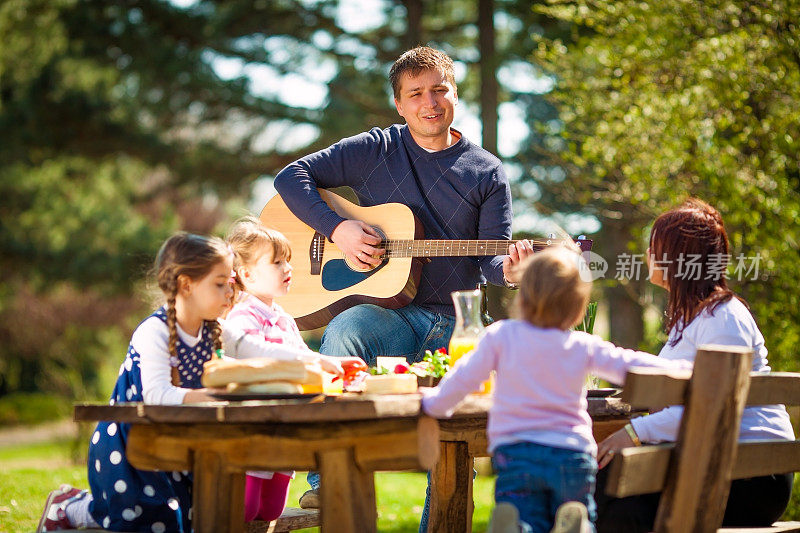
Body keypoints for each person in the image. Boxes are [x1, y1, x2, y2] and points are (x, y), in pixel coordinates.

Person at [272, 45, 533, 514]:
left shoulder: (487, 171)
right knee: (347, 328)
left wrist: (512, 271)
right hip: (390, 316)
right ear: (399, 104)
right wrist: (339, 228)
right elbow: (292, 177)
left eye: (439, 90)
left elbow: (493, 257)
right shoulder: (376, 149)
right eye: (415, 94)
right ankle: (328, 477)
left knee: (454, 450)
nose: (429, 103)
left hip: (458, 324)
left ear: (455, 94)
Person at [36, 233, 343, 532]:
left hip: (183, 438)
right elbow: (156, 394)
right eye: (220, 284)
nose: (229, 292)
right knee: (134, 518)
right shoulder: (153, 331)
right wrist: (210, 399)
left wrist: (320, 361)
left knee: (181, 518)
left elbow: (262, 350)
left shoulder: (215, 328)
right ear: (186, 285)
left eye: (230, 283)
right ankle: (67, 506)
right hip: (133, 440)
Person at [422, 246, 691, 533]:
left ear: (523, 295)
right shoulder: (580, 345)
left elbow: (464, 378)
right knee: (576, 513)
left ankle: (516, 526)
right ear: (577, 309)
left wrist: (433, 404)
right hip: (571, 456)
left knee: (527, 516)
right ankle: (574, 525)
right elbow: (628, 363)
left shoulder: (501, 336)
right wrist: (683, 370)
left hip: (517, 454)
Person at [594, 198, 795, 532]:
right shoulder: (693, 319)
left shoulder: (724, 318)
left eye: (654, 245)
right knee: (611, 492)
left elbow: (711, 410)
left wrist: (634, 433)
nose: (646, 253)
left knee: (610, 488)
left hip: (752, 476)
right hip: (713, 463)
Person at [225, 216, 366, 522]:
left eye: (287, 260)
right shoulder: (242, 317)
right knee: (244, 512)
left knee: (270, 512)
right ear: (246, 273)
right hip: (253, 434)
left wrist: (340, 368)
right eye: (277, 263)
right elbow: (257, 359)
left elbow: (305, 358)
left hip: (283, 437)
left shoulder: (284, 319)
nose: (288, 268)